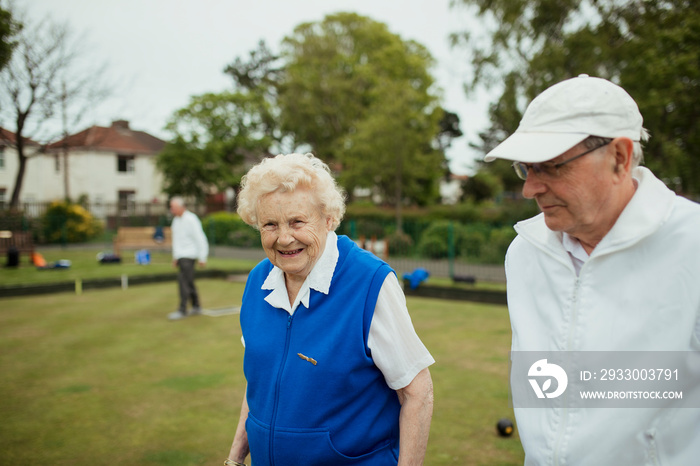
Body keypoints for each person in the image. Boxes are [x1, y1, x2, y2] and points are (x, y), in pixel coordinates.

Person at [484, 74, 700, 465]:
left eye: (550, 167)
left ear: (619, 157)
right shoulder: (525, 253)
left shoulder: (693, 245)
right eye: (525, 169)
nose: (530, 189)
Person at [225, 153, 434, 466]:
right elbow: (261, 384)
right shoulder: (258, 281)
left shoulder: (369, 281)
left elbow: (418, 393)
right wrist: (234, 459)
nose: (284, 238)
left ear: (328, 218)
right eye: (270, 224)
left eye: (297, 221)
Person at [167, 196, 209, 321]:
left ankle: (182, 310)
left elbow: (200, 238)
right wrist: (175, 257)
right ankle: (196, 306)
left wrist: (202, 257)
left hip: (189, 255)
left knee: (183, 282)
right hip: (181, 256)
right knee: (188, 281)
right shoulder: (175, 221)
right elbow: (176, 241)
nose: (171, 210)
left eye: (173, 207)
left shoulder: (191, 219)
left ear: (181, 207)